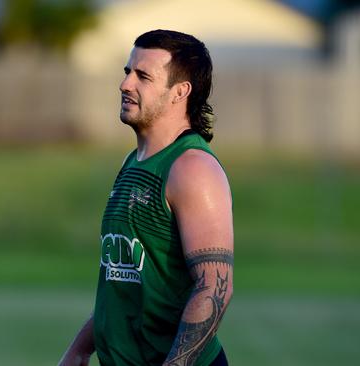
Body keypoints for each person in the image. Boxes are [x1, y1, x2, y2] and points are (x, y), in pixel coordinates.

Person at [59, 29, 233, 366]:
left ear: (179, 92)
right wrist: (79, 349)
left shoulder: (191, 168)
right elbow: (121, 282)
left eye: (143, 76)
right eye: (127, 73)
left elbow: (215, 289)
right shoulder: (133, 162)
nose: (125, 85)